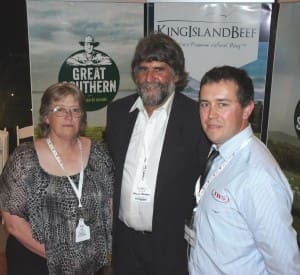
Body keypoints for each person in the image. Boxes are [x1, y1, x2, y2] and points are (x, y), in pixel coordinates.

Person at [105, 32, 210, 275]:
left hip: (172, 245)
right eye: (143, 69)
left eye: (159, 69)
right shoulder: (118, 113)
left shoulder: (196, 118)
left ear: (176, 74)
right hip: (126, 244)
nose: (149, 78)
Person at [188, 65, 300, 274]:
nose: (211, 114)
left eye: (222, 104)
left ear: (247, 109)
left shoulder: (258, 177)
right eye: (205, 104)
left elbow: (286, 267)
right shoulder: (219, 152)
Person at [0, 82, 114, 275]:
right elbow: (13, 223)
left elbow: (109, 206)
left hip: (89, 265)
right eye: (60, 109)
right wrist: (63, 256)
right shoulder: (24, 158)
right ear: (46, 116)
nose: (69, 116)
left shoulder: (99, 154)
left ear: (82, 118)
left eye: (75, 110)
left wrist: (93, 252)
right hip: (36, 261)